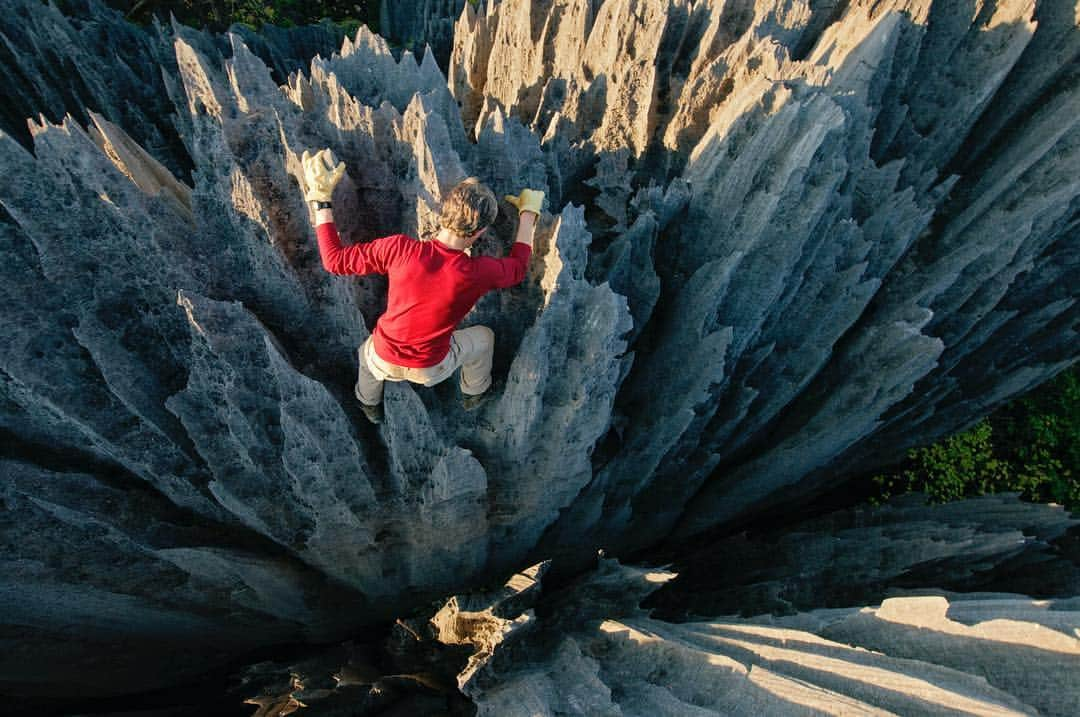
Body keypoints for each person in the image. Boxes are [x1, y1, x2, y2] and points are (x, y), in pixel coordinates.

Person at [301, 148, 542, 422]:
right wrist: (527, 215)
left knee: (366, 360)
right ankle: (474, 392)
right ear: (479, 233)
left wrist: (321, 199)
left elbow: (334, 261)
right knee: (484, 338)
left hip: (384, 356)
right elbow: (518, 268)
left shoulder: (399, 249)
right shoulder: (478, 272)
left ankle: (369, 405)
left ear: (444, 213)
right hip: (431, 367)